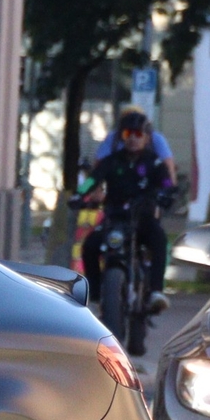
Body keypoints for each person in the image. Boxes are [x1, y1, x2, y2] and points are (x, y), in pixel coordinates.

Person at [78, 110, 176, 313]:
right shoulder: (112, 161)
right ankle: (95, 295)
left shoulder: (154, 162)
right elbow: (93, 179)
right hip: (114, 218)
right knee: (89, 246)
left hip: (143, 218)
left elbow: (167, 183)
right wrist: (79, 194)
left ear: (146, 137)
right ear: (121, 137)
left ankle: (156, 292)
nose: (132, 138)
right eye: (127, 134)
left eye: (138, 134)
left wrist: (167, 194)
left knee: (159, 239)